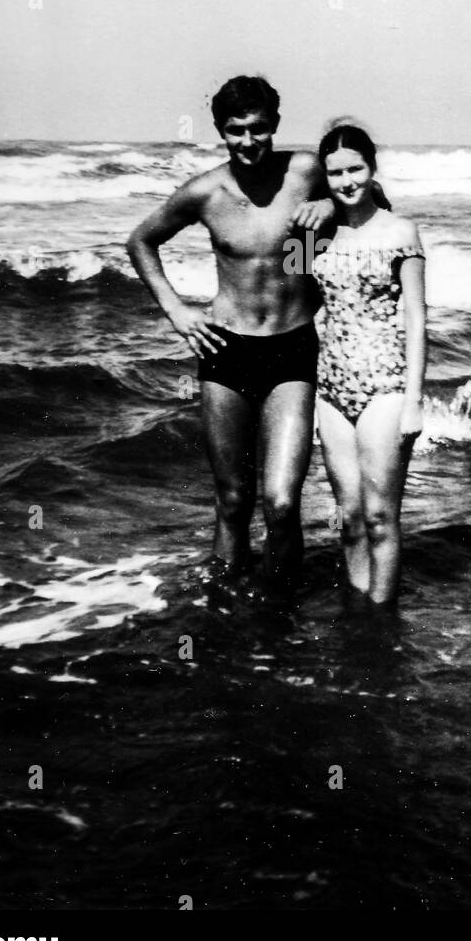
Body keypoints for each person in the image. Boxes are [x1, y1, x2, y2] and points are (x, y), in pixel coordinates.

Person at [126, 76, 333, 590]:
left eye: (258, 129)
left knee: (282, 501)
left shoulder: (305, 171)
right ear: (220, 130)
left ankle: (280, 613)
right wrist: (178, 312)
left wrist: (329, 208)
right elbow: (141, 242)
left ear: (275, 126)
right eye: (235, 130)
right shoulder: (206, 192)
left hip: (292, 347)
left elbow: (366, 191)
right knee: (233, 500)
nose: (248, 141)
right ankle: (222, 614)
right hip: (227, 350)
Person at [312, 124, 427, 604]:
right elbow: (291, 298)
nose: (346, 181)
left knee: (381, 517)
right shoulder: (313, 237)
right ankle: (359, 614)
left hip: (385, 386)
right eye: (335, 172)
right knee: (350, 518)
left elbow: (417, 318)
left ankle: (383, 622)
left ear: (372, 168)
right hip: (329, 388)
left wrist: (414, 402)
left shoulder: (401, 232)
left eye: (355, 168)